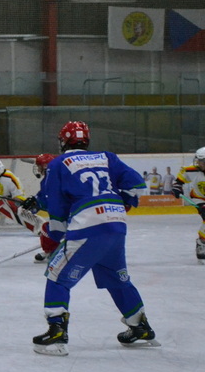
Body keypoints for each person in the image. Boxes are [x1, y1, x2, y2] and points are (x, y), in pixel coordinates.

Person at [32, 120, 158, 356]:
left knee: (57, 275)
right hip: (116, 223)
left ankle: (56, 331)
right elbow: (136, 184)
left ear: (63, 142)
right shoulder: (106, 157)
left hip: (87, 224)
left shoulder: (58, 163)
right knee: (117, 278)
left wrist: (58, 234)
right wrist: (123, 202)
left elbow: (56, 204)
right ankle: (140, 326)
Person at [21, 153, 61, 263]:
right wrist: (34, 200)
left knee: (46, 229)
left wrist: (38, 204)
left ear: (45, 166)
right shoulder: (49, 178)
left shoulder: (52, 179)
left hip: (69, 216)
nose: (37, 169)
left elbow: (51, 201)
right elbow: (43, 194)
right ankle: (53, 250)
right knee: (48, 227)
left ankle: (53, 252)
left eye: (39, 166)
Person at [171, 147, 205, 263]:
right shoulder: (191, 170)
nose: (199, 164)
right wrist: (177, 188)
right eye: (199, 161)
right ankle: (202, 242)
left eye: (202, 161)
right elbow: (179, 181)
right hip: (199, 198)